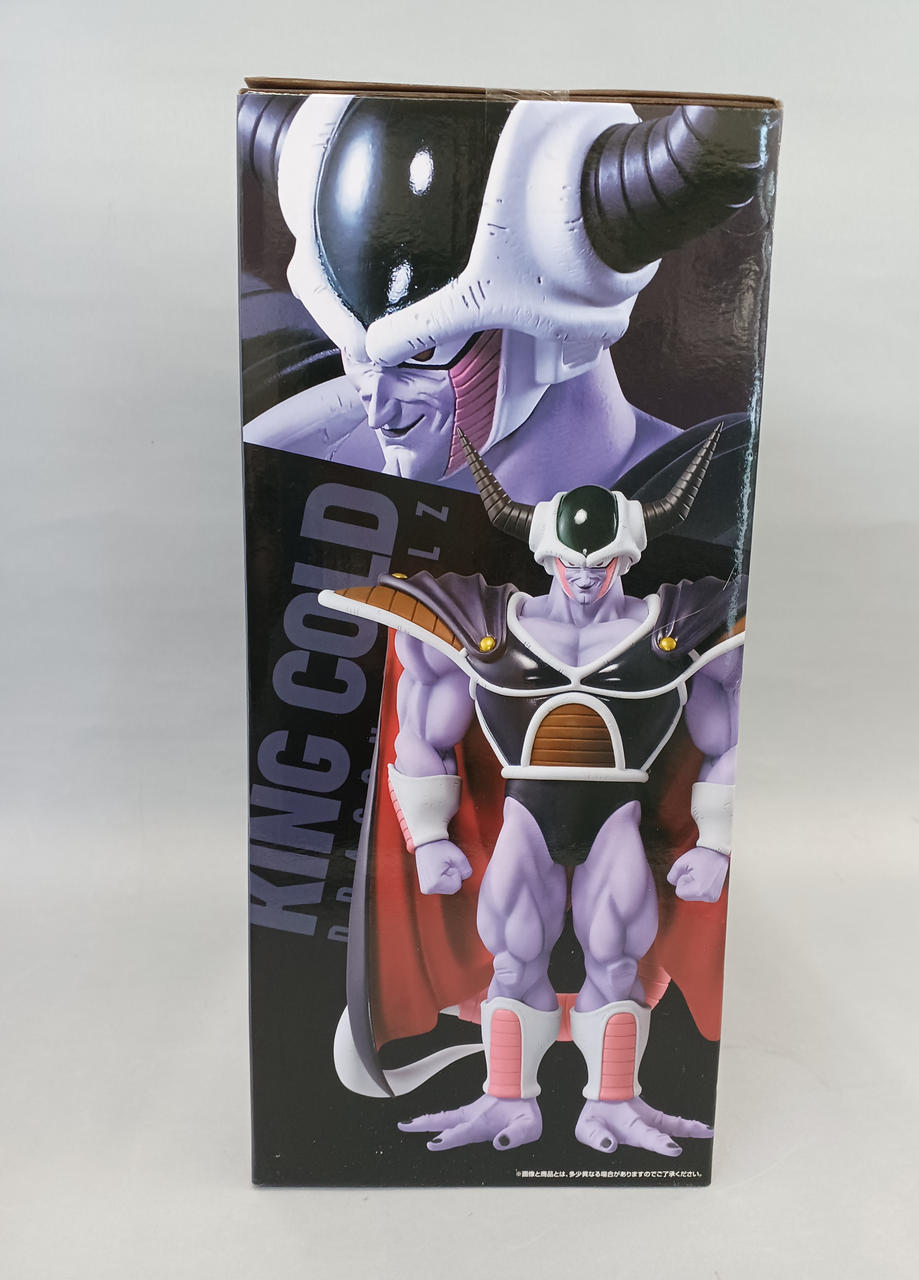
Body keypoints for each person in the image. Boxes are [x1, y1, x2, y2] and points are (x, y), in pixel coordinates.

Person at [321, 429, 744, 1154]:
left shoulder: (676, 630)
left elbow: (728, 737)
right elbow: (421, 729)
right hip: (524, 818)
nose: (585, 577)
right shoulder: (482, 627)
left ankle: (612, 1104)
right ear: (547, 556)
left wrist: (716, 844)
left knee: (617, 961)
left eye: (603, 563)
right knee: (513, 962)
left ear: (628, 557)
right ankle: (507, 1100)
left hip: (617, 820)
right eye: (572, 562)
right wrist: (428, 837)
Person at [241, 93, 769, 501]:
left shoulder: (713, 499)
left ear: (563, 337)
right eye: (356, 354)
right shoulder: (291, 439)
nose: (377, 410)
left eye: (424, 353)